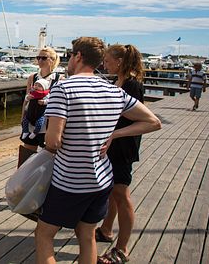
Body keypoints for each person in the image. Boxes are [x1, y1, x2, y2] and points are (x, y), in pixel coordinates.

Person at [35, 37, 161, 264]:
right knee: (87, 235)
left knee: (44, 234)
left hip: (70, 181)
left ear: (79, 56)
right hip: (102, 180)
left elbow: (53, 142)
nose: (69, 60)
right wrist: (113, 134)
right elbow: (153, 122)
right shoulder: (113, 91)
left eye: (71, 55)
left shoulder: (63, 88)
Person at [95, 44, 145, 263]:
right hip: (113, 146)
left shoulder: (133, 86)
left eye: (107, 60)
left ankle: (122, 249)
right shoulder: (118, 82)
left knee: (122, 196)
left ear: (120, 62)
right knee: (113, 191)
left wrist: (115, 134)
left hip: (124, 148)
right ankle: (107, 230)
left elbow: (143, 121)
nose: (104, 64)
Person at [18, 47, 63, 167]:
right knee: (27, 151)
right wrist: (23, 117)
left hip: (47, 121)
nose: (40, 60)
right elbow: (26, 99)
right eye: (38, 57)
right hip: (32, 117)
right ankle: (23, 179)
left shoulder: (59, 79)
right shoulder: (33, 77)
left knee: (47, 154)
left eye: (44, 58)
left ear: (52, 60)